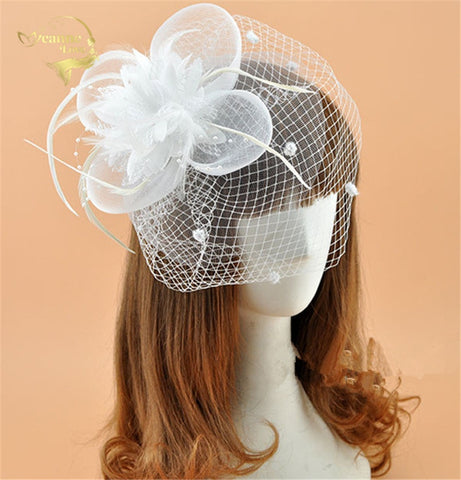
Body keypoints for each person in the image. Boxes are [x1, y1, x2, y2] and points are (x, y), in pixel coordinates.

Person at [25, 3, 421, 478]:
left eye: (317, 195)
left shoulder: (334, 423)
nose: (302, 238)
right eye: (264, 204)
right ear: (187, 231)